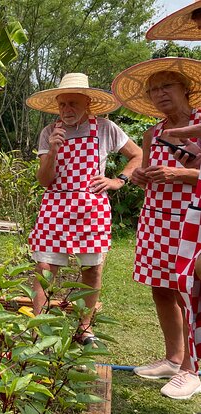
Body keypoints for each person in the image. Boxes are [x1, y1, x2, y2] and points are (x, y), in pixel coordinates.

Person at [26, 73, 141, 345]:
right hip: (55, 203)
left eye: (73, 103)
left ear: (87, 103)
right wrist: (53, 150)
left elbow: (138, 154)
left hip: (91, 206)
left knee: (92, 269)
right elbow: (44, 180)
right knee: (44, 266)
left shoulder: (105, 128)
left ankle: (85, 327)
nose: (67, 110)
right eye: (62, 104)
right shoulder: (48, 133)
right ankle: (38, 329)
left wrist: (118, 180)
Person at [112, 57, 201, 399]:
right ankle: (173, 358)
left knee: (188, 291)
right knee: (160, 288)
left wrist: (184, 174)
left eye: (166, 86)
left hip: (191, 216)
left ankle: (193, 369)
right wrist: (137, 176)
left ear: (186, 90)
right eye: (153, 90)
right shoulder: (153, 133)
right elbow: (146, 176)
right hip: (156, 215)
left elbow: (190, 173)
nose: (159, 94)